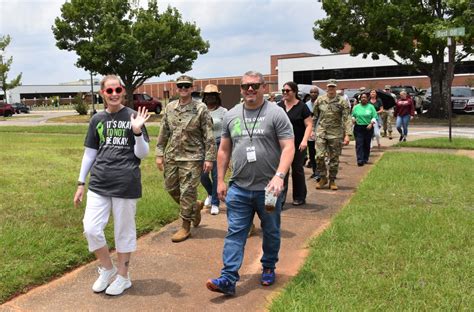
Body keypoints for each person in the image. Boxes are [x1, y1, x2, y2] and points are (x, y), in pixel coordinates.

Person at [206, 71, 294, 296]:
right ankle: (228, 278)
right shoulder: (232, 115)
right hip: (239, 189)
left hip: (269, 190)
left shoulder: (276, 114)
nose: (250, 90)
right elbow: (224, 150)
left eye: (255, 86)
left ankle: (268, 266)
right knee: (235, 232)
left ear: (263, 87)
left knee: (271, 231)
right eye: (246, 86)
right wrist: (220, 181)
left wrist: (280, 176)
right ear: (241, 89)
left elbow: (288, 147)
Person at [73, 74, 150, 296]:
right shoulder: (97, 119)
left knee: (123, 232)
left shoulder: (134, 116)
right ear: (102, 94)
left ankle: (124, 277)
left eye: (118, 90)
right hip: (99, 182)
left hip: (126, 183)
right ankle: (107, 268)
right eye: (109, 91)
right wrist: (81, 183)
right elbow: (90, 154)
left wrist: (136, 132)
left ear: (123, 92)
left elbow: (142, 154)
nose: (114, 94)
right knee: (91, 228)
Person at [156, 75, 216, 243]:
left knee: (187, 191)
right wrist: (159, 153)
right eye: (180, 86)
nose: (183, 89)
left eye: (187, 86)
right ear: (177, 88)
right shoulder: (170, 108)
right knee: (171, 188)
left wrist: (209, 158)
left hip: (193, 157)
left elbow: (209, 135)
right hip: (173, 156)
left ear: (192, 88)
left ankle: (185, 226)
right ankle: (195, 206)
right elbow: (163, 132)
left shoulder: (200, 108)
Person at [313, 79, 352, 191]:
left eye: (333, 87)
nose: (331, 89)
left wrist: (348, 134)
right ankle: (323, 177)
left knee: (334, 158)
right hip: (322, 132)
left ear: (336, 88)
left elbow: (347, 118)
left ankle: (332, 180)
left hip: (336, 133)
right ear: (327, 87)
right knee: (319, 156)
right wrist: (311, 130)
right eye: (329, 87)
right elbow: (315, 116)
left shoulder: (341, 101)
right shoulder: (320, 100)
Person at [277, 81, 312, 206]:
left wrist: (304, 141)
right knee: (282, 171)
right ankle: (280, 198)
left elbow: (309, 125)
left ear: (295, 92)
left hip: (298, 145)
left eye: (288, 91)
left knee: (297, 170)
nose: (285, 93)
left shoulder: (302, 106)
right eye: (283, 91)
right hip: (282, 145)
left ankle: (299, 196)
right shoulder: (279, 106)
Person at [200, 84, 228, 215]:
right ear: (204, 97)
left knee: (216, 175)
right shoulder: (200, 110)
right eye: (208, 95)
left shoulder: (224, 112)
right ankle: (211, 194)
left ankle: (215, 203)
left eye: (213, 95)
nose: (210, 97)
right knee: (202, 175)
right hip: (202, 145)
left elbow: (228, 132)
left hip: (218, 144)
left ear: (217, 97)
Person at [351, 93, 378, 166]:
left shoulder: (371, 107)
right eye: (362, 97)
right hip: (358, 127)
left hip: (368, 127)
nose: (363, 98)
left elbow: (375, 116)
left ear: (367, 99)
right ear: (360, 99)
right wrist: (353, 119)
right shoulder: (356, 107)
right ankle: (360, 159)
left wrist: (371, 123)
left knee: (366, 144)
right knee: (359, 143)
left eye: (365, 97)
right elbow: (353, 115)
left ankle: (365, 158)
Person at [306, 86, 319, 180]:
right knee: (312, 153)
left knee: (320, 153)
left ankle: (320, 172)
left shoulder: (322, 103)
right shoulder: (306, 105)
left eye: (315, 92)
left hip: (320, 131)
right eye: (312, 92)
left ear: (318, 94)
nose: (313, 94)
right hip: (310, 132)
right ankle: (315, 171)